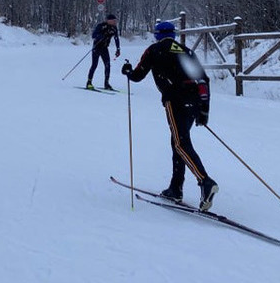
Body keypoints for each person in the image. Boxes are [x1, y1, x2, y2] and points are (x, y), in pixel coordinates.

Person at [121, 20, 218, 211]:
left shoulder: (154, 50)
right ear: (173, 34)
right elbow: (203, 80)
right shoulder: (186, 51)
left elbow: (138, 75)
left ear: (157, 34)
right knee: (178, 141)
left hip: (175, 100)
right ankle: (176, 187)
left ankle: (205, 182)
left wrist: (128, 72)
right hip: (194, 101)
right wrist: (204, 110)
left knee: (180, 143)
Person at [86, 13, 121, 90]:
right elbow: (94, 35)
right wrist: (101, 36)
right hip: (97, 47)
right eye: (113, 20)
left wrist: (118, 49)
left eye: (115, 21)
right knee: (94, 65)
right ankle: (89, 82)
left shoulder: (114, 28)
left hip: (104, 48)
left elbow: (116, 38)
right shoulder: (101, 26)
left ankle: (106, 83)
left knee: (107, 65)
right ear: (108, 20)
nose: (115, 22)